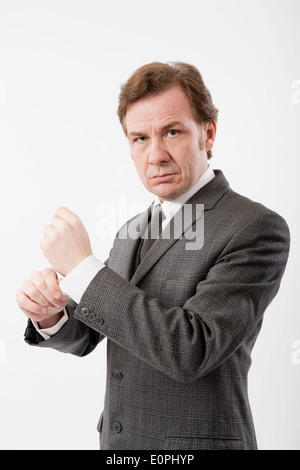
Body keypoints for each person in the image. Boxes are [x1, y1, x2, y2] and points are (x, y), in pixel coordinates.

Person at [17, 62, 290, 450]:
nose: (155, 155)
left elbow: (191, 350)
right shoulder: (130, 229)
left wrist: (83, 269)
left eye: (172, 132)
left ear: (208, 134)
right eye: (140, 138)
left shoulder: (256, 228)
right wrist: (50, 315)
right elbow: (91, 333)